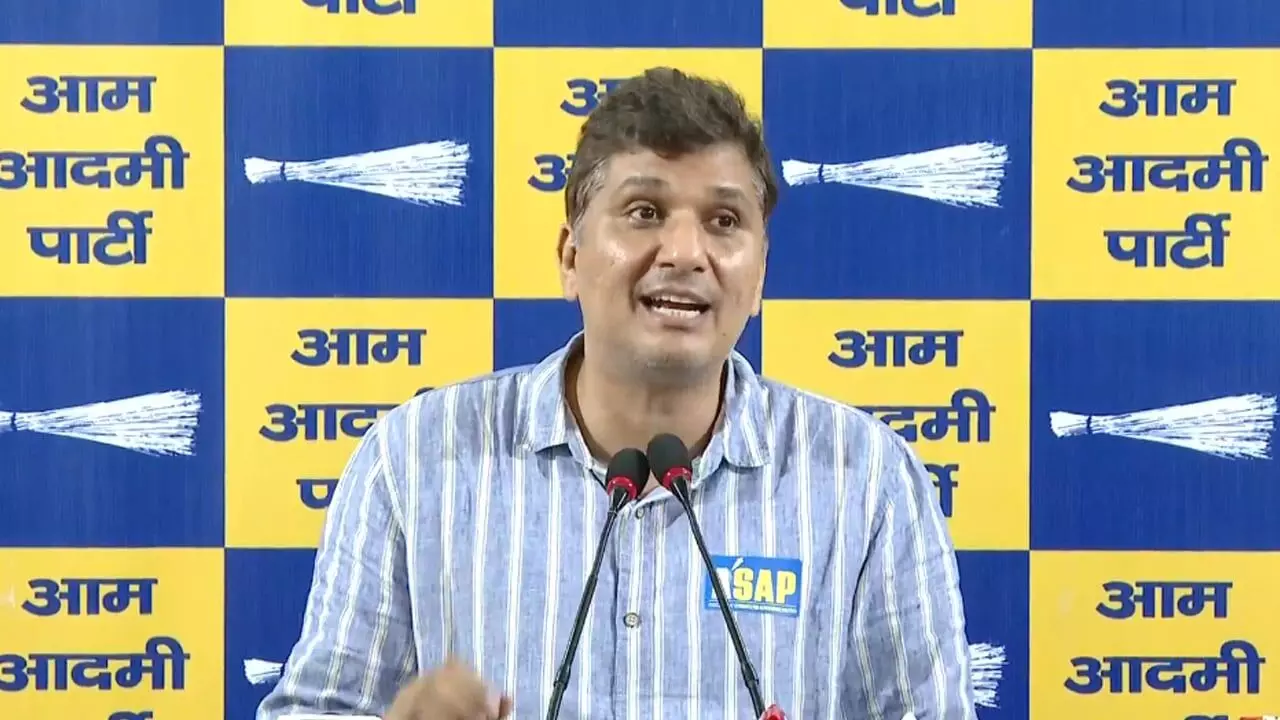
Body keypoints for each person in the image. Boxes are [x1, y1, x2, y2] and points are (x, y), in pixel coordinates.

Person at [257, 66, 976, 720]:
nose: (685, 253)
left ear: (758, 276)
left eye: (724, 222)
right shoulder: (415, 459)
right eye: (644, 212)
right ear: (570, 257)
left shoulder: (866, 481)